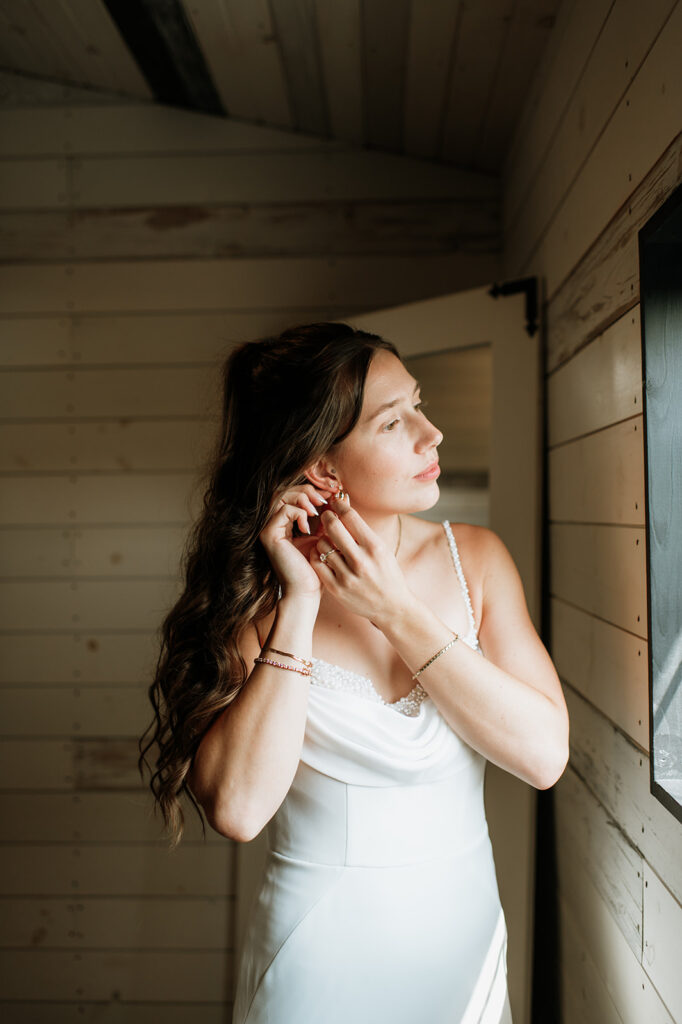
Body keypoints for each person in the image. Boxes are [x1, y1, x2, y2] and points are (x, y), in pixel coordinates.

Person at [140, 321, 569, 1024]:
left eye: (419, 406)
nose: (432, 435)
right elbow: (240, 810)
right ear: (323, 468)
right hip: (319, 957)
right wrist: (301, 603)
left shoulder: (478, 562)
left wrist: (397, 610)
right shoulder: (259, 603)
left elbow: (546, 757)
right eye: (395, 422)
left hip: (463, 948)